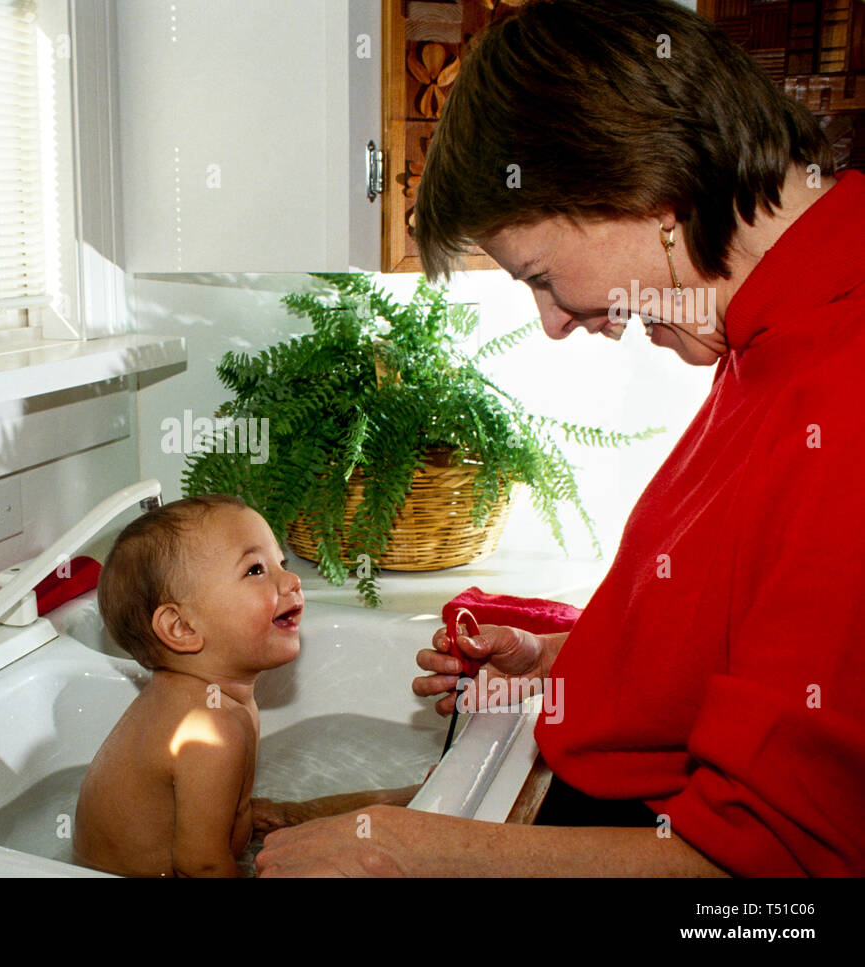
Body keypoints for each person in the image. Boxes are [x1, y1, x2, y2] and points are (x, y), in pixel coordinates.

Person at [256, 0, 865, 877]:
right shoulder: (762, 331)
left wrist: (413, 847)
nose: (551, 321)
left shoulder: (841, 384)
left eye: (540, 276)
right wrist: (559, 660)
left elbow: (763, 890)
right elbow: (743, 633)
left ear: (640, 188)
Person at [73, 494, 306, 876]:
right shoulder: (210, 726)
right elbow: (201, 866)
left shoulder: (203, 698)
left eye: (281, 562)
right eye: (255, 570)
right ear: (181, 628)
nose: (292, 580)